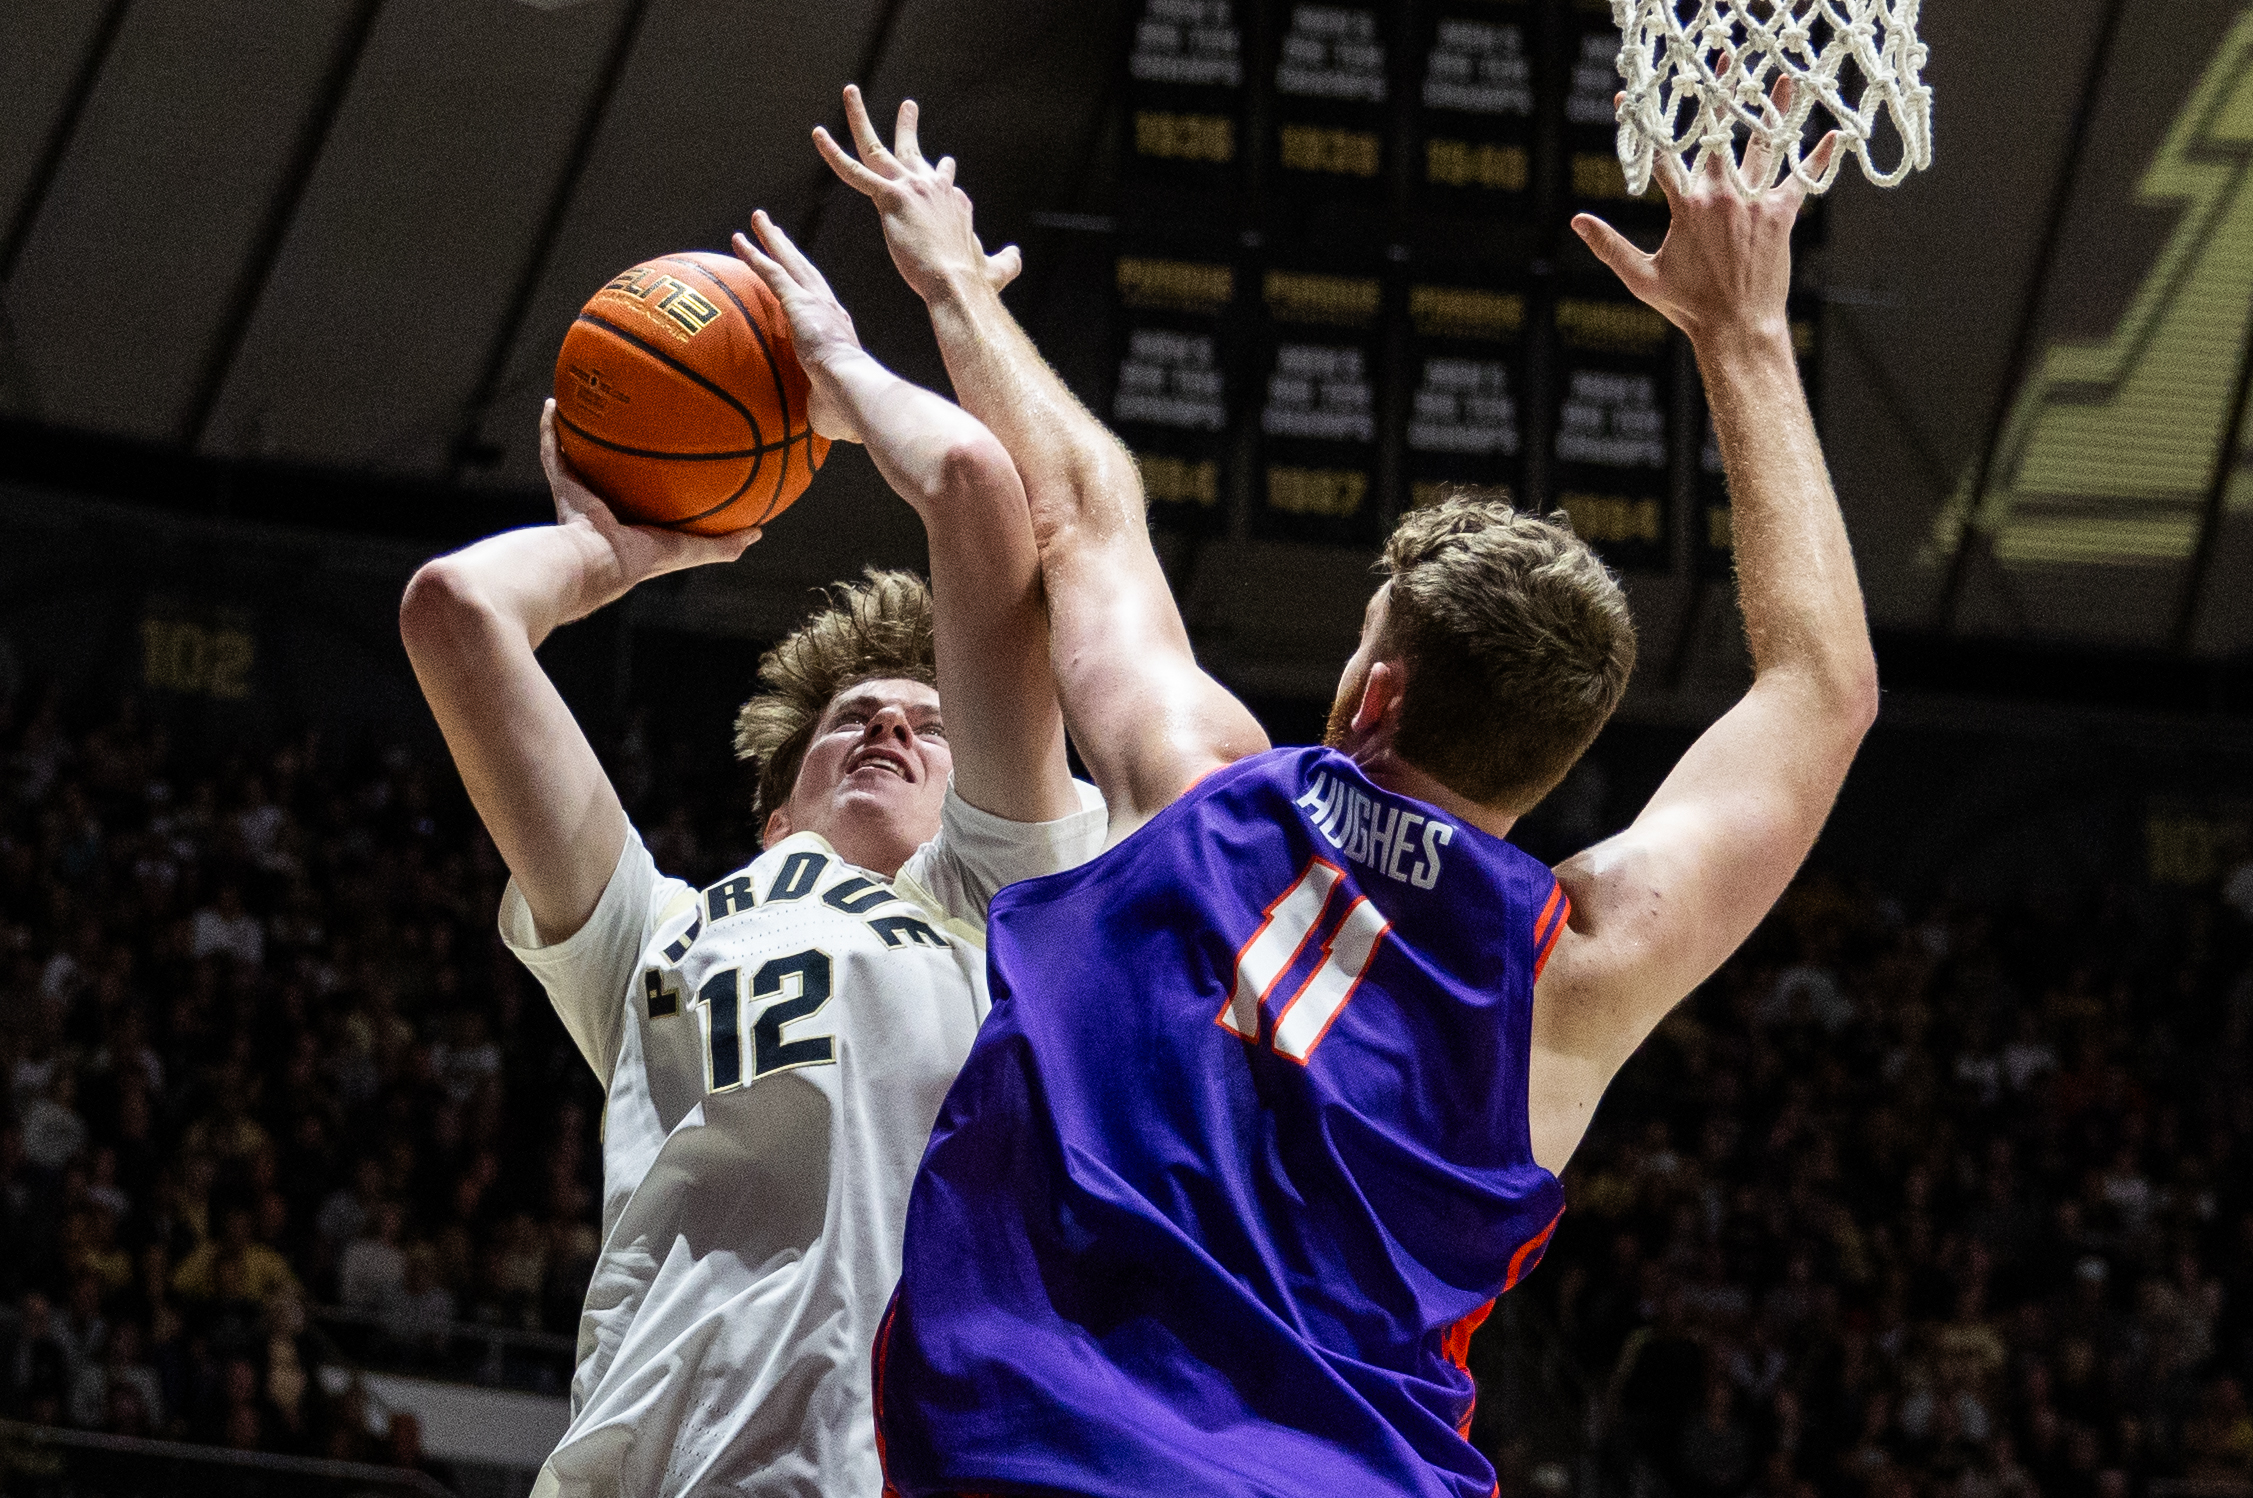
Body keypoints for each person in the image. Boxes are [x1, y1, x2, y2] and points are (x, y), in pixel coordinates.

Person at [820, 87, 1878, 1496]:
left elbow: (1079, 501)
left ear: (1374, 696)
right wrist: (1743, 334)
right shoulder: (1576, 967)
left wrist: (952, 282)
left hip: (1035, 1454)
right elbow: (1822, 691)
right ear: (1552, 750)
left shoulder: (1199, 790)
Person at [397, 210, 1103, 1494]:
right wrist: (608, 554)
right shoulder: (655, 932)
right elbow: (456, 613)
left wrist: (839, 374)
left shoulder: (1007, 902)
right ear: (775, 811)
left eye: (932, 725)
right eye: (854, 722)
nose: (892, 722)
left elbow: (971, 489)